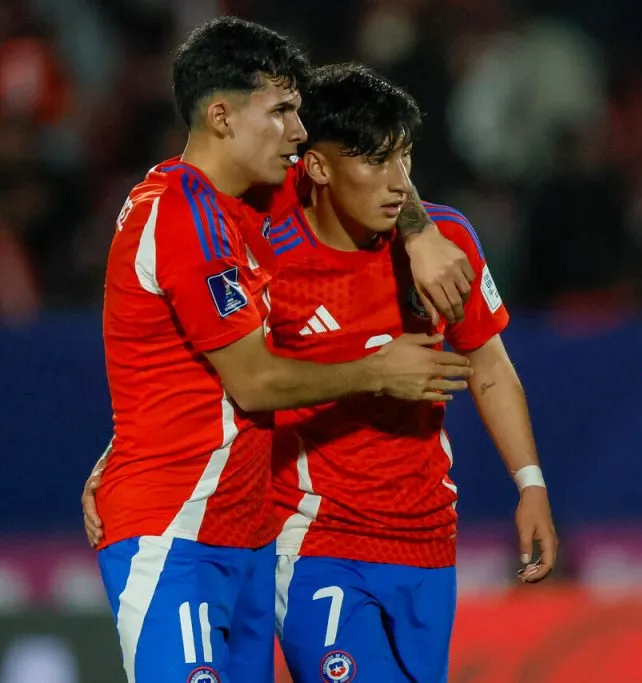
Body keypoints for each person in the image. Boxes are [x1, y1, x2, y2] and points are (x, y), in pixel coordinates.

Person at [94, 18, 476, 683]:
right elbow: (254, 382)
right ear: (221, 116)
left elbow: (376, 159)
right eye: (282, 112)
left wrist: (419, 233)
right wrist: (380, 371)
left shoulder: (251, 202)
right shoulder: (181, 215)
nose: (299, 133)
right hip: (174, 532)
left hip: (244, 536)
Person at [263, 62, 557, 683]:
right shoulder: (268, 253)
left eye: (406, 158)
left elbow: (489, 365)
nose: (398, 183)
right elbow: (229, 377)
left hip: (426, 538)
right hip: (317, 538)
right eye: (375, 161)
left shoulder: (446, 241)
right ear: (316, 166)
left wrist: (530, 483)